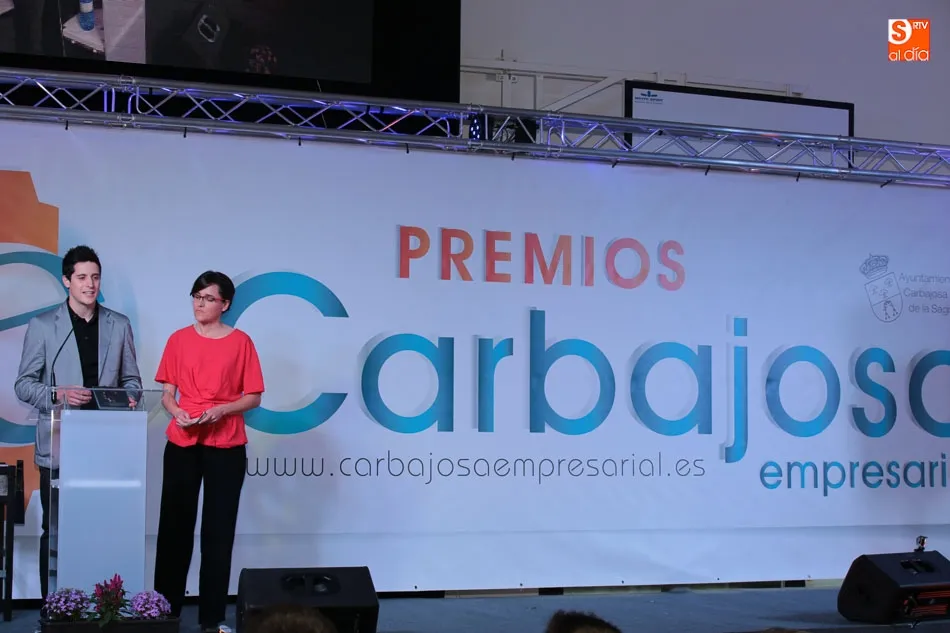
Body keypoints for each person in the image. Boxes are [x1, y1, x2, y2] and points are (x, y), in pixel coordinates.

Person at [14, 245, 143, 598]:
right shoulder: (43, 326)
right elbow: (23, 385)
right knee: (55, 530)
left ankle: (102, 604)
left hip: (107, 444)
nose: (90, 284)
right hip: (60, 444)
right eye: (82, 277)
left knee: (103, 528)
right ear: (66, 281)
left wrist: (128, 398)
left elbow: (133, 381)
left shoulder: (119, 325)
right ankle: (54, 606)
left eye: (95, 277)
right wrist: (59, 393)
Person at [153, 270, 265, 632]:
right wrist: (176, 410)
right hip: (182, 440)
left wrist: (223, 409)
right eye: (197, 297)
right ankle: (164, 612)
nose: (200, 304)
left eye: (208, 298)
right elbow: (167, 393)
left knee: (218, 533)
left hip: (226, 444)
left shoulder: (241, 342)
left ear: (225, 304)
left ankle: (212, 618)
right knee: (174, 528)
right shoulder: (178, 339)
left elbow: (253, 396)